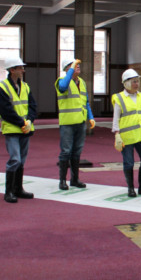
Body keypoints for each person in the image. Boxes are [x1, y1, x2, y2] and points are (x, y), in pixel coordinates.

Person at [0, 57, 37, 203]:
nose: (23, 70)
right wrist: (21, 122)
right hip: (13, 128)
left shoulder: (25, 86)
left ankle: (18, 189)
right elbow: (5, 110)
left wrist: (30, 120)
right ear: (12, 70)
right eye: (20, 67)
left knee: (22, 160)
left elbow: (32, 105)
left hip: (25, 128)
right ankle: (9, 191)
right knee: (15, 159)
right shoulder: (2, 87)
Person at [113, 69, 141, 197]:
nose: (136, 84)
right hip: (126, 138)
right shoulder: (119, 98)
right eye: (134, 82)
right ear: (126, 83)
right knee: (129, 162)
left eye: (137, 81)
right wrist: (117, 134)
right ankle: (131, 188)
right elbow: (116, 118)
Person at [55, 58, 95, 190]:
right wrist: (70, 71)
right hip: (67, 122)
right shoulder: (62, 81)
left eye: (77, 65)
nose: (78, 67)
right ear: (67, 69)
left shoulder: (82, 82)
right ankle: (62, 180)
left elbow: (86, 102)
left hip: (80, 122)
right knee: (66, 151)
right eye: (74, 66)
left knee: (77, 152)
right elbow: (62, 88)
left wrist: (90, 117)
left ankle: (74, 179)